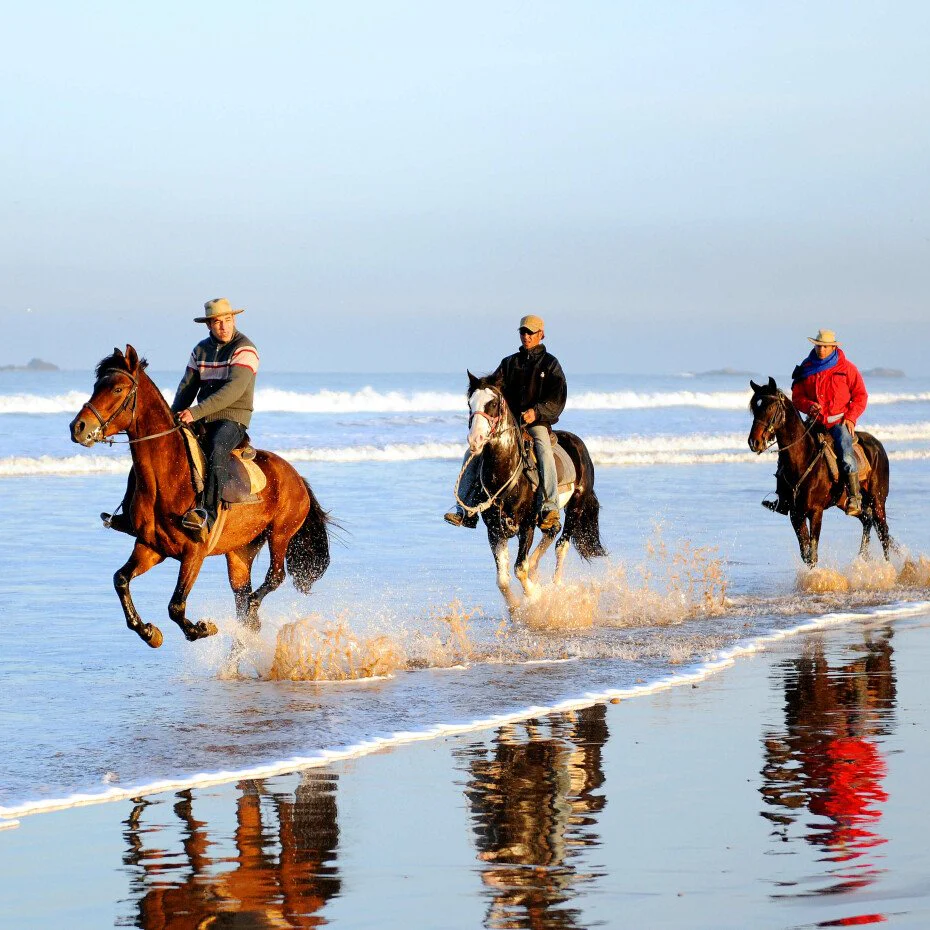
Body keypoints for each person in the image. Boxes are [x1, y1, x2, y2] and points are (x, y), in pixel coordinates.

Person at [445, 314, 567, 533]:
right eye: (523, 332)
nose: (526, 336)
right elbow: (494, 390)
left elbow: (558, 398)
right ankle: (465, 509)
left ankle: (550, 507)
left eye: (530, 332)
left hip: (536, 423)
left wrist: (536, 412)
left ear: (541, 334)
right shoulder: (509, 363)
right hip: (508, 425)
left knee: (543, 447)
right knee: (472, 453)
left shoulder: (550, 364)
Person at [171, 297, 260, 537]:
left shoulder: (245, 349)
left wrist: (195, 412)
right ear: (208, 325)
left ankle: (207, 514)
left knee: (216, 447)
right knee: (161, 445)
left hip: (233, 418)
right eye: (217, 322)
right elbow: (186, 388)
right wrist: (170, 418)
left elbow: (232, 392)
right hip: (204, 417)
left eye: (228, 320)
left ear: (234, 320)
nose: (224, 326)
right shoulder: (200, 350)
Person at [767, 328, 867, 516]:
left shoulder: (847, 369)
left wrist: (851, 418)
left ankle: (854, 498)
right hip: (813, 422)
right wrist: (808, 405)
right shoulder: (806, 367)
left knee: (846, 452)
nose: (821, 349)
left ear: (832, 347)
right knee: (787, 453)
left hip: (838, 422)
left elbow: (861, 396)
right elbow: (797, 397)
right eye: (818, 346)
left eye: (825, 346)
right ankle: (782, 498)